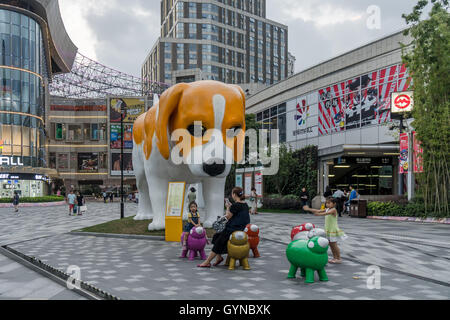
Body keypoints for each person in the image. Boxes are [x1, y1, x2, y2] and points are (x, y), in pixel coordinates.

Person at [197, 187, 250, 268]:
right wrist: (231, 207)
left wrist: (228, 207)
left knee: (218, 242)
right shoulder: (245, 205)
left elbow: (228, 216)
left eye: (232, 193)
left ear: (234, 194)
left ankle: (207, 262)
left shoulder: (235, 206)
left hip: (232, 229)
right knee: (216, 236)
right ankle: (219, 257)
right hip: (241, 229)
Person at [303, 197, 347, 264]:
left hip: (333, 230)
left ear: (334, 204)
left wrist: (318, 214)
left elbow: (325, 213)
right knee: (331, 244)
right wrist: (309, 209)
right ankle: (335, 258)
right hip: (328, 229)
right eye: (326, 203)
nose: (327, 204)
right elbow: (318, 210)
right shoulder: (327, 209)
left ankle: (338, 258)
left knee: (334, 244)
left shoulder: (333, 210)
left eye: (329, 203)